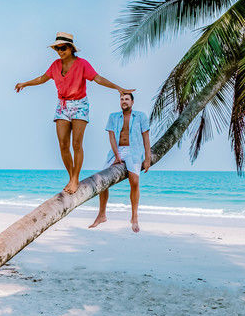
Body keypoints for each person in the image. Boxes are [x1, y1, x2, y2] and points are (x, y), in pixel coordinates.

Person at [14, 32, 134, 195]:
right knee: (63, 144)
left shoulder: (82, 64)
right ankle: (72, 177)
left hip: (80, 105)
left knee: (76, 144)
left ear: (71, 48)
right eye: (57, 48)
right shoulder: (55, 65)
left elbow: (97, 78)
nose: (59, 51)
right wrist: (25, 83)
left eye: (62, 48)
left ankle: (75, 178)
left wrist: (118, 88)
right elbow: (42, 78)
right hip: (62, 106)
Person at [88, 91, 153, 232]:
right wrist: (117, 155)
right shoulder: (113, 117)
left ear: (132, 102)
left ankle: (134, 217)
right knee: (102, 180)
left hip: (134, 151)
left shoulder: (141, 116)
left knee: (134, 181)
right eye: (122, 99)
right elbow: (111, 137)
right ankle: (102, 214)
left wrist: (147, 158)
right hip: (116, 151)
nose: (124, 101)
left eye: (127, 99)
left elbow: (146, 138)